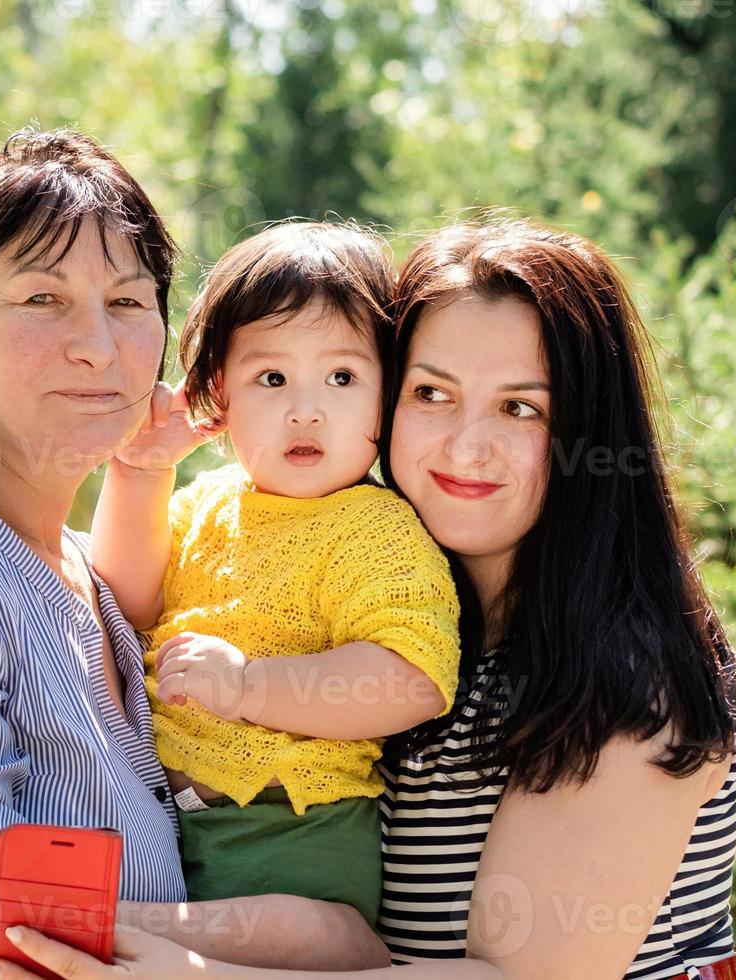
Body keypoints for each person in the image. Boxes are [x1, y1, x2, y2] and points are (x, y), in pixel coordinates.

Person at [0, 218, 736, 980]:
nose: (464, 444)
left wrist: (178, 968)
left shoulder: (625, 670)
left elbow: (520, 978)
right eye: (432, 393)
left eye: (520, 408)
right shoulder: (410, 605)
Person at [0, 128, 387, 980]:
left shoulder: (92, 576)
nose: (97, 345)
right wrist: (315, 946)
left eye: (129, 304)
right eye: (42, 299)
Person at [91, 221, 461, 927]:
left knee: (311, 937)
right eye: (271, 378)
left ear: (390, 394)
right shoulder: (204, 504)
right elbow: (124, 599)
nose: (306, 408)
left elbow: (411, 679)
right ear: (216, 393)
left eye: (343, 377)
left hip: (291, 826)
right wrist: (139, 472)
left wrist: (247, 686)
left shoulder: (374, 527)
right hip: (168, 820)